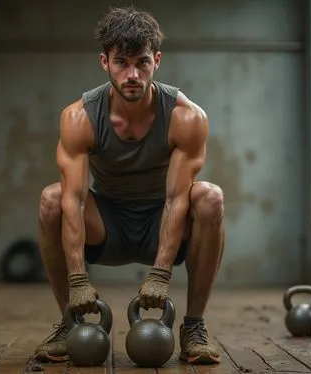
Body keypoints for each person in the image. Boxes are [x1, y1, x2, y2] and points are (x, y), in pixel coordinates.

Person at [33, 5, 225, 366]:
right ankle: (68, 323)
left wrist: (161, 272)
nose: (133, 74)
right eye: (122, 62)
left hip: (163, 222)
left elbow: (176, 198)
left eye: (142, 63)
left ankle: (194, 327)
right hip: (106, 225)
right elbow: (73, 200)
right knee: (51, 199)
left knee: (210, 198)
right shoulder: (79, 117)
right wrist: (78, 279)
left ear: (157, 60)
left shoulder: (186, 117)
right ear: (104, 62)